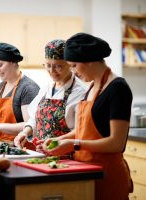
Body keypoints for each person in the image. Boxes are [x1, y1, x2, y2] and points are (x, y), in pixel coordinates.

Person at [43, 33, 133, 200]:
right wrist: (58, 140)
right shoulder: (91, 87)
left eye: (75, 65)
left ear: (89, 60)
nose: (74, 72)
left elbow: (116, 143)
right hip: (84, 172)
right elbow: (83, 131)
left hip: (107, 176)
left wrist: (74, 144)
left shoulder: (118, 88)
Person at [14, 39, 87, 150]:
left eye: (58, 66)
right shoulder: (46, 88)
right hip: (42, 155)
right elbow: (34, 119)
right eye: (48, 65)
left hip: (69, 158)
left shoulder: (81, 92)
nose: (51, 71)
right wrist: (24, 132)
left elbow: (82, 131)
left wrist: (58, 143)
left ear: (70, 65)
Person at [0, 42, 40, 145]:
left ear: (13, 62)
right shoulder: (0, 87)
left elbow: (30, 125)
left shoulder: (28, 88)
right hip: (0, 147)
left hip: (22, 150)